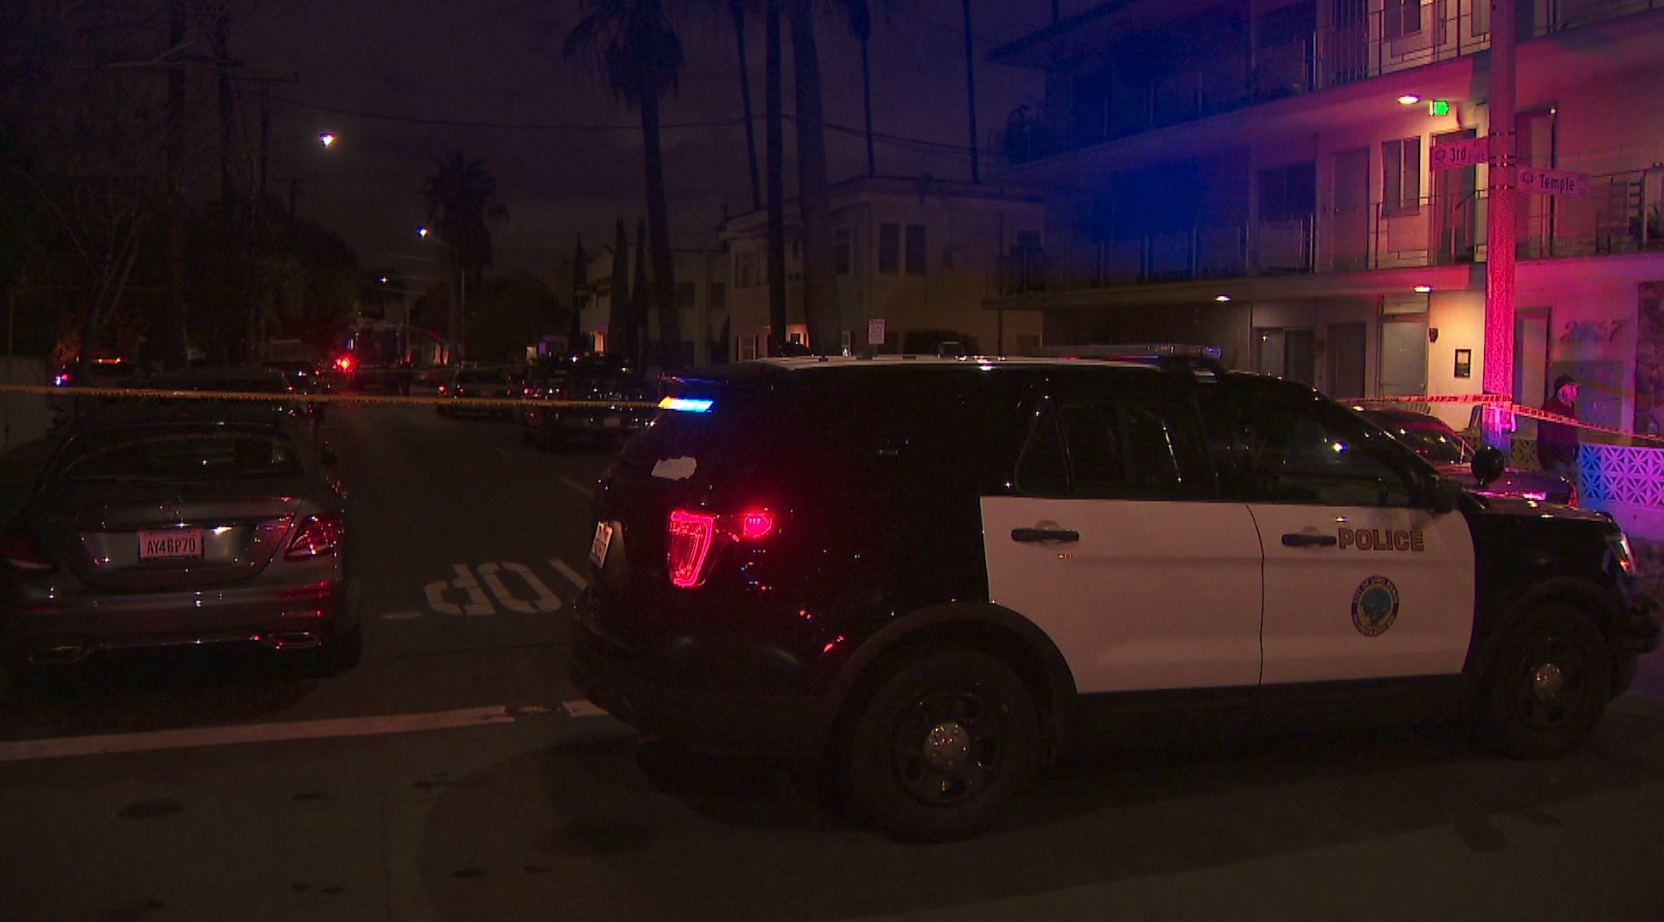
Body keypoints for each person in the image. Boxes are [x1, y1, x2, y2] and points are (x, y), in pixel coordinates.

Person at [1537, 374, 1580, 479]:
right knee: (1557, 491)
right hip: (1556, 460)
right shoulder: (1550, 408)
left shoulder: (1570, 407)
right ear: (1560, 391)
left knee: (1572, 491)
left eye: (1575, 388)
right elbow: (1545, 436)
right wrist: (1549, 462)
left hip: (1569, 458)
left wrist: (1575, 450)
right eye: (1571, 388)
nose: (1575, 391)